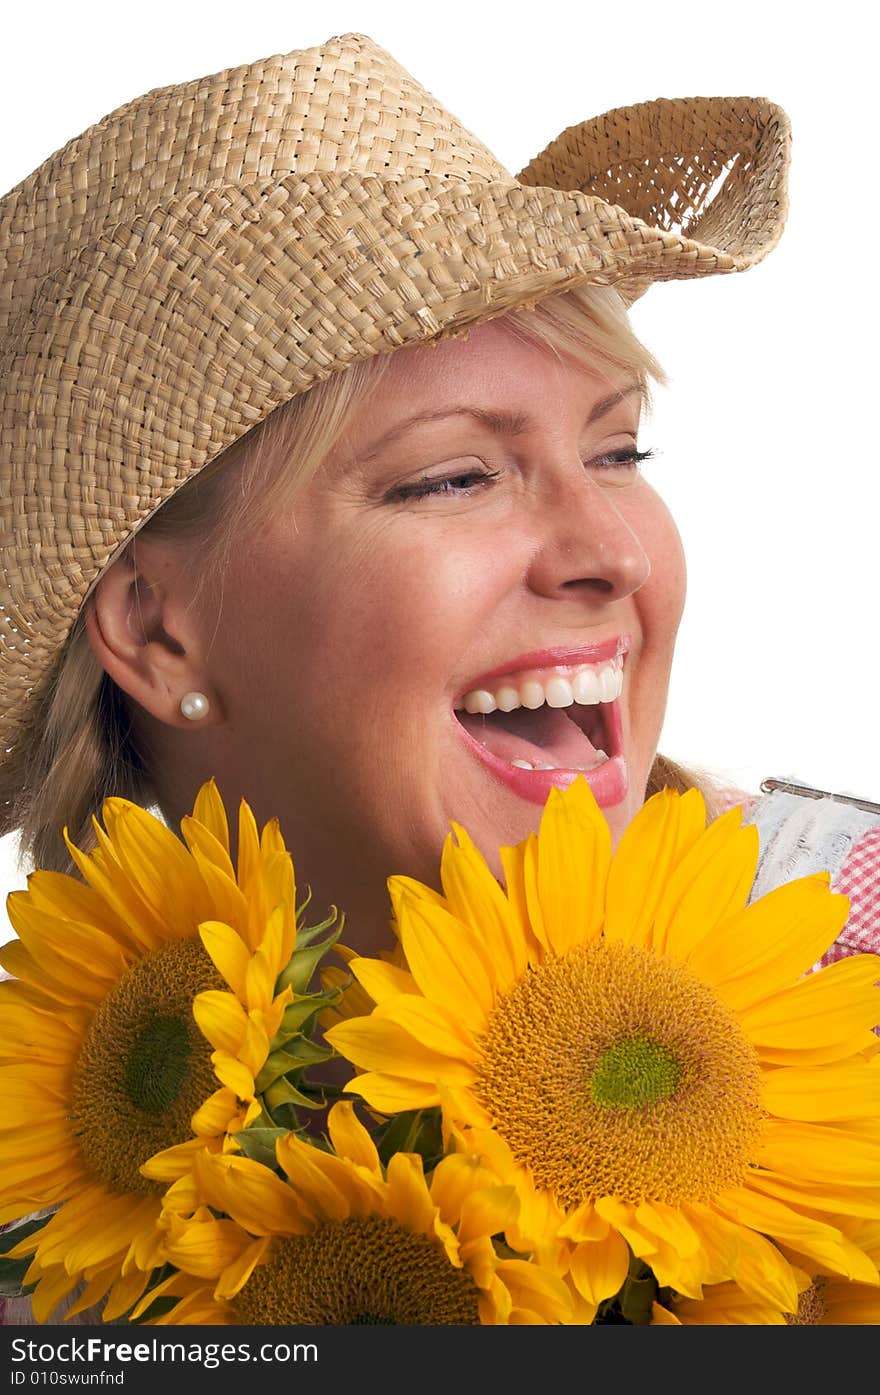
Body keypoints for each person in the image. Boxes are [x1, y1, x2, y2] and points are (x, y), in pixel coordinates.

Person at [0, 30, 876, 1324]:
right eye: (454, 475)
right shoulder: (53, 1220)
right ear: (156, 632)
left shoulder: (851, 946)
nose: (611, 554)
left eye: (622, 454)